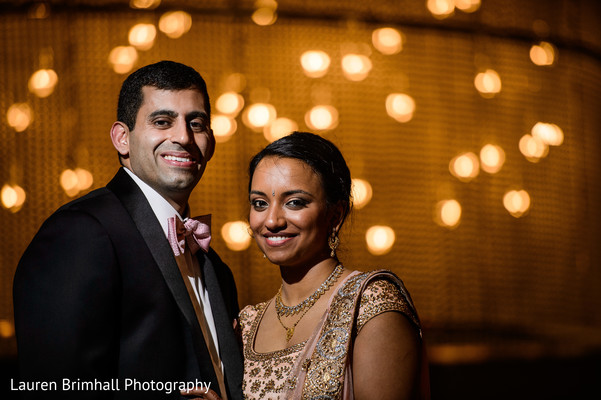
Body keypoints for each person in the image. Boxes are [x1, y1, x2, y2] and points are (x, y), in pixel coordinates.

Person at [13, 61, 243, 400]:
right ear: (122, 138)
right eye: (162, 121)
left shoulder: (215, 266)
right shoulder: (82, 232)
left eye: (196, 123)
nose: (183, 137)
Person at [241, 131, 428, 399]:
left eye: (294, 202)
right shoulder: (247, 324)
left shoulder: (370, 303)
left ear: (335, 215)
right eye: (259, 203)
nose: (271, 221)